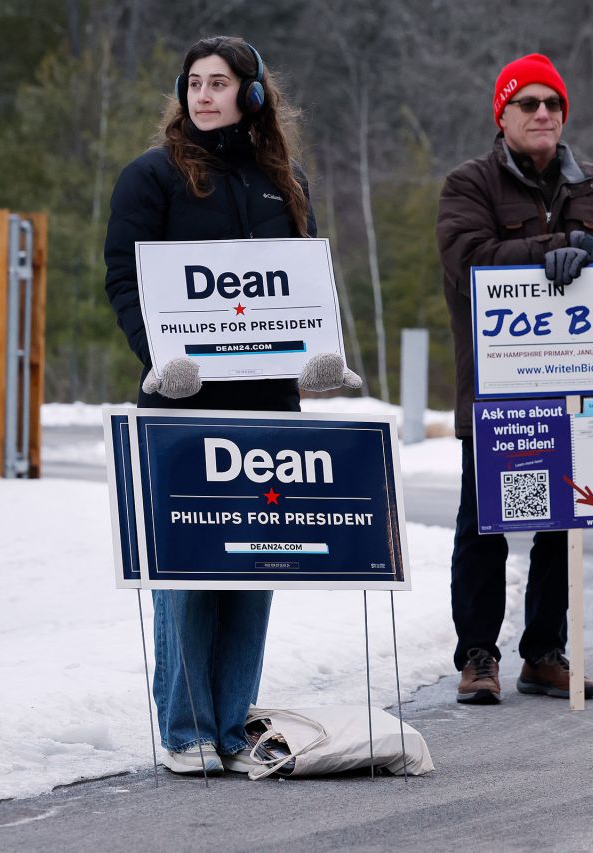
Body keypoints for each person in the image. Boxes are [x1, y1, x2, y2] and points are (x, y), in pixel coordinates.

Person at [103, 35, 355, 774]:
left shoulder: (287, 180)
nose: (203, 94)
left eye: (219, 83)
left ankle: (232, 726)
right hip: (181, 405)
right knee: (188, 567)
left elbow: (304, 285)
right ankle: (185, 729)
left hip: (269, 411)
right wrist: (159, 358)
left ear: (252, 94)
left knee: (253, 561)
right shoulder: (150, 177)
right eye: (192, 82)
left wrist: (320, 354)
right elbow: (125, 279)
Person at [436, 53, 593, 705]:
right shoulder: (469, 184)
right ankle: (478, 654)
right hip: (502, 393)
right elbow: (467, 260)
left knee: (563, 520)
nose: (542, 114)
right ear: (502, 115)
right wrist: (547, 249)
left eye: (552, 103)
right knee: (488, 525)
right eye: (527, 103)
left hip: (576, 388)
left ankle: (544, 652)